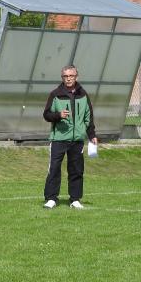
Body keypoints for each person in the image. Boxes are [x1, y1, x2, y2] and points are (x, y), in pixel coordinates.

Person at [42, 65, 97, 209]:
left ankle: (75, 199)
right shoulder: (55, 94)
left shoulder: (83, 95)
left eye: (71, 76)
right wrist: (58, 115)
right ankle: (51, 198)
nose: (68, 79)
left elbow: (88, 117)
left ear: (76, 77)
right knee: (54, 169)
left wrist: (92, 135)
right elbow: (46, 115)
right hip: (58, 139)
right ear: (62, 78)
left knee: (76, 170)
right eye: (65, 76)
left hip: (77, 140)